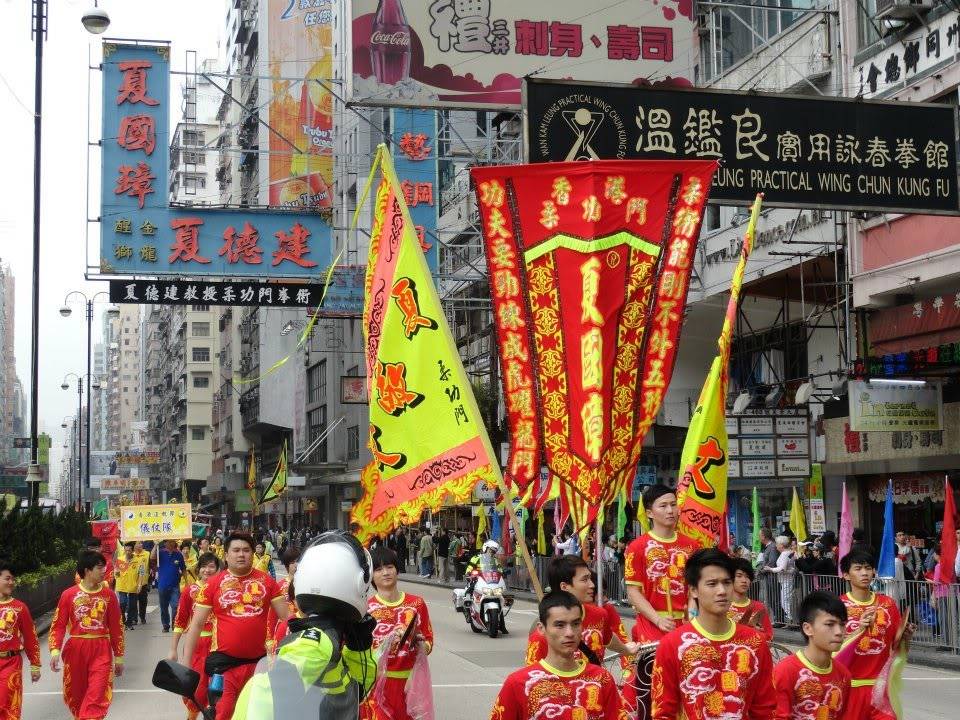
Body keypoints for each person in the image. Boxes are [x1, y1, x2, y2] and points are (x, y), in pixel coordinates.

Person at [231, 531, 379, 719]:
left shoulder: (332, 636)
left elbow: (356, 689)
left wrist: (360, 647)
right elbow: (261, 694)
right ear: (357, 583)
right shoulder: (316, 643)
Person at [652, 548, 775, 720]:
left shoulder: (755, 642)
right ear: (694, 590)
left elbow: (765, 708)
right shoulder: (672, 644)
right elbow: (663, 712)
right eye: (712, 584)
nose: (722, 591)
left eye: (726, 582)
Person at [179, 531, 290, 720]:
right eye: (236, 550)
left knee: (256, 714)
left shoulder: (267, 582)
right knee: (223, 713)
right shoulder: (213, 584)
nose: (241, 554)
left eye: (246, 550)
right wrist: (186, 666)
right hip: (224, 666)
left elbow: (287, 618)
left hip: (259, 665)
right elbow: (196, 625)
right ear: (226, 555)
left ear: (253, 553)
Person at [491, 590, 622, 720]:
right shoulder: (518, 683)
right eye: (560, 625)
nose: (570, 632)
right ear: (541, 629)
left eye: (575, 624)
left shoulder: (602, 679)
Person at [837, 548, 914, 720]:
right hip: (849, 689)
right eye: (858, 568)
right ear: (846, 575)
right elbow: (829, 650)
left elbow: (896, 647)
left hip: (881, 689)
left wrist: (906, 638)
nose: (864, 573)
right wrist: (859, 630)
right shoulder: (837, 607)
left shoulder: (888, 604)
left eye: (868, 568)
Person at [49, 550, 124, 720]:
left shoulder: (109, 596)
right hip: (76, 650)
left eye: (104, 567)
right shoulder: (68, 595)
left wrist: (119, 657)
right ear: (87, 570)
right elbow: (58, 625)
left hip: (101, 650)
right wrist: (55, 650)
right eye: (99, 567)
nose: (104, 570)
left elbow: (116, 628)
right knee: (77, 697)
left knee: (96, 697)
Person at [360, 547, 434, 720]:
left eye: (390, 567)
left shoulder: (416, 604)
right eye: (378, 569)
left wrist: (420, 643)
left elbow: (429, 642)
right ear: (371, 576)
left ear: (397, 569)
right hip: (376, 685)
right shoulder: (365, 609)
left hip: (409, 684)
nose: (385, 573)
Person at [525, 555, 638, 665]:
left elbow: (608, 638)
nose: (592, 584)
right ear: (564, 587)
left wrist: (625, 649)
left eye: (589, 578)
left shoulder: (600, 615)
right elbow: (532, 676)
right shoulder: (543, 631)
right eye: (584, 580)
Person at [624, 484, 700, 644]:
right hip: (651, 624)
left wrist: (694, 618)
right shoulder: (637, 547)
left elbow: (695, 588)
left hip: (685, 625)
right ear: (649, 513)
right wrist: (658, 620)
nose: (670, 510)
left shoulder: (692, 546)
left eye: (673, 505)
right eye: (663, 506)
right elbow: (633, 592)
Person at [773, 591, 851, 720]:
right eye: (830, 624)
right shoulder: (786, 671)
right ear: (808, 628)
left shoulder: (844, 675)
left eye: (842, 625)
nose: (838, 632)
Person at [170, 551, 221, 720]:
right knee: (196, 689)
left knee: (218, 689)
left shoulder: (223, 590)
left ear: (218, 569)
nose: (207, 570)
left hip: (219, 645)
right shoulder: (190, 591)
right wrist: (173, 649)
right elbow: (180, 621)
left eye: (211, 566)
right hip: (197, 645)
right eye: (204, 566)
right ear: (198, 569)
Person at [0, 561, 41, 720]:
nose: (11, 583)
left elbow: (30, 637)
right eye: (7, 578)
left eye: (13, 579)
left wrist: (35, 664)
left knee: (8, 703)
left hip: (11, 663)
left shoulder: (20, 608)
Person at [728, 557, 773, 641]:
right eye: (739, 576)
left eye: (747, 577)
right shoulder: (722, 606)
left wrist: (756, 634)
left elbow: (768, 637)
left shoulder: (759, 607)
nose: (744, 580)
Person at [266, 546, 301, 639]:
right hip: (285, 631)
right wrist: (269, 639)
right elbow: (272, 615)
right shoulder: (279, 586)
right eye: (292, 562)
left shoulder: (308, 586)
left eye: (298, 562)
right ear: (286, 565)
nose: (296, 565)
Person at [153, 538, 186, 633]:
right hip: (162, 585)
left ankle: (174, 624)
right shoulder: (160, 553)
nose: (172, 543)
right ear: (165, 543)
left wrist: (187, 581)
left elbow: (183, 568)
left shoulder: (178, 554)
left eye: (173, 541)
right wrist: (156, 545)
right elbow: (152, 557)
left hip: (175, 585)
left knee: (175, 606)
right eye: (169, 542)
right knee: (164, 607)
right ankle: (165, 625)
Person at [765, 535, 798, 625]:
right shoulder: (790, 552)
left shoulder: (784, 554)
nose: (776, 546)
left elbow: (782, 568)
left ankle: (790, 619)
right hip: (786, 580)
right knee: (786, 600)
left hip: (786, 580)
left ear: (781, 545)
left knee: (785, 600)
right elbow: (792, 567)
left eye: (777, 544)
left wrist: (770, 569)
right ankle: (790, 619)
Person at [114, 541, 142, 630]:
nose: (127, 552)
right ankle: (123, 620)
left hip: (133, 586)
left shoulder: (138, 561)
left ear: (132, 550)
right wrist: (117, 572)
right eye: (126, 550)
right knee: (122, 603)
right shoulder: (121, 559)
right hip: (122, 586)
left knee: (132, 605)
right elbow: (117, 574)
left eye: (129, 550)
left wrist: (140, 585)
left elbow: (141, 573)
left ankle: (129, 622)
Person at [133, 540, 151, 626]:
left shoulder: (147, 554)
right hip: (132, 582)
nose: (141, 544)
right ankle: (134, 618)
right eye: (138, 543)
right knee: (133, 601)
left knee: (143, 601)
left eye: (141, 543)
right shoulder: (131, 555)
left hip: (143, 582)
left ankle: (142, 617)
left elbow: (151, 564)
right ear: (134, 545)